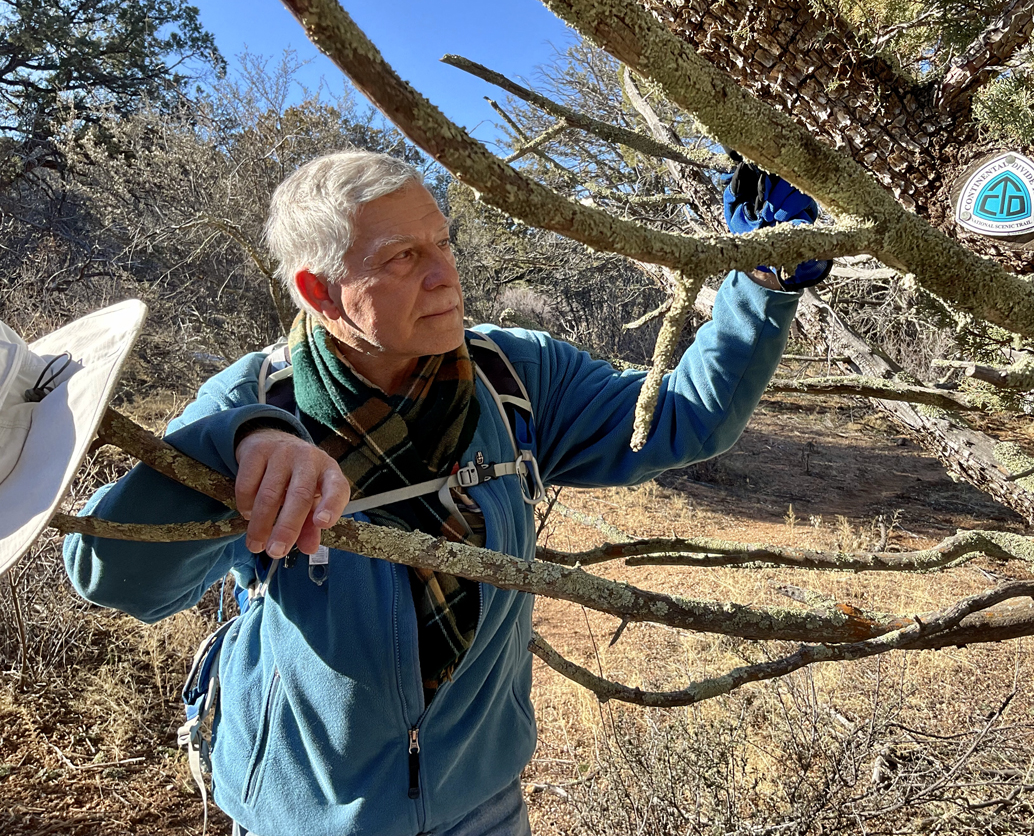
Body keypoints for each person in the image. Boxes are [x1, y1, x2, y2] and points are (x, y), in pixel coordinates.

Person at [63, 150, 829, 836]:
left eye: (443, 243)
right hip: (307, 815)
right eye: (402, 257)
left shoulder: (513, 378)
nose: (444, 274)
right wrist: (233, 447)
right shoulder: (252, 402)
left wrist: (759, 280)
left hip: (483, 805)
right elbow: (113, 575)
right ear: (318, 291)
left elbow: (681, 422)